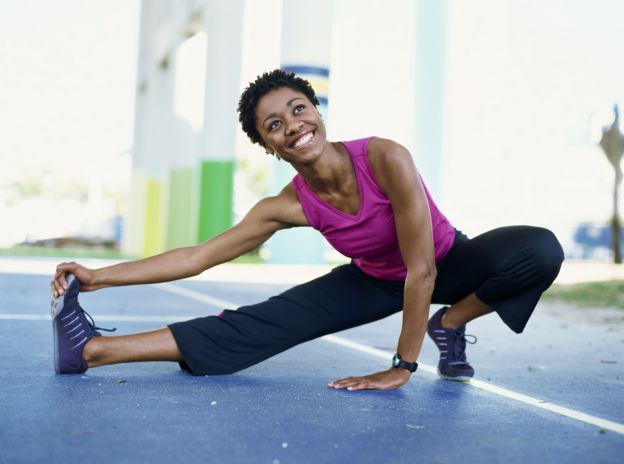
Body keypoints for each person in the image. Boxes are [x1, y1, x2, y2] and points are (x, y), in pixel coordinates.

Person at [50, 69, 564, 391]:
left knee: (537, 250)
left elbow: (423, 268)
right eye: (274, 125)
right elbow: (197, 257)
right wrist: (97, 277)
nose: (292, 124)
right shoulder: (285, 206)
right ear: (268, 147)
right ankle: (94, 350)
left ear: (316, 111)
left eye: (298, 109)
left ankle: (450, 326)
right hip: (374, 279)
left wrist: (402, 365)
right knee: (262, 325)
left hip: (448, 258)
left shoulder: (385, 157)